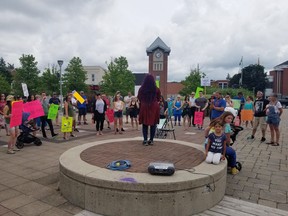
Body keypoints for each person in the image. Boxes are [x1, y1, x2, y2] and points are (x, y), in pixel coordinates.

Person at [138, 74, 161, 146]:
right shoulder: (156, 89)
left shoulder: (141, 89)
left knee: (145, 123)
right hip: (154, 106)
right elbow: (158, 98)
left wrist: (144, 102)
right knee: (153, 123)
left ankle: (145, 140)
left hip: (145, 106)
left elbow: (139, 97)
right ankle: (151, 140)